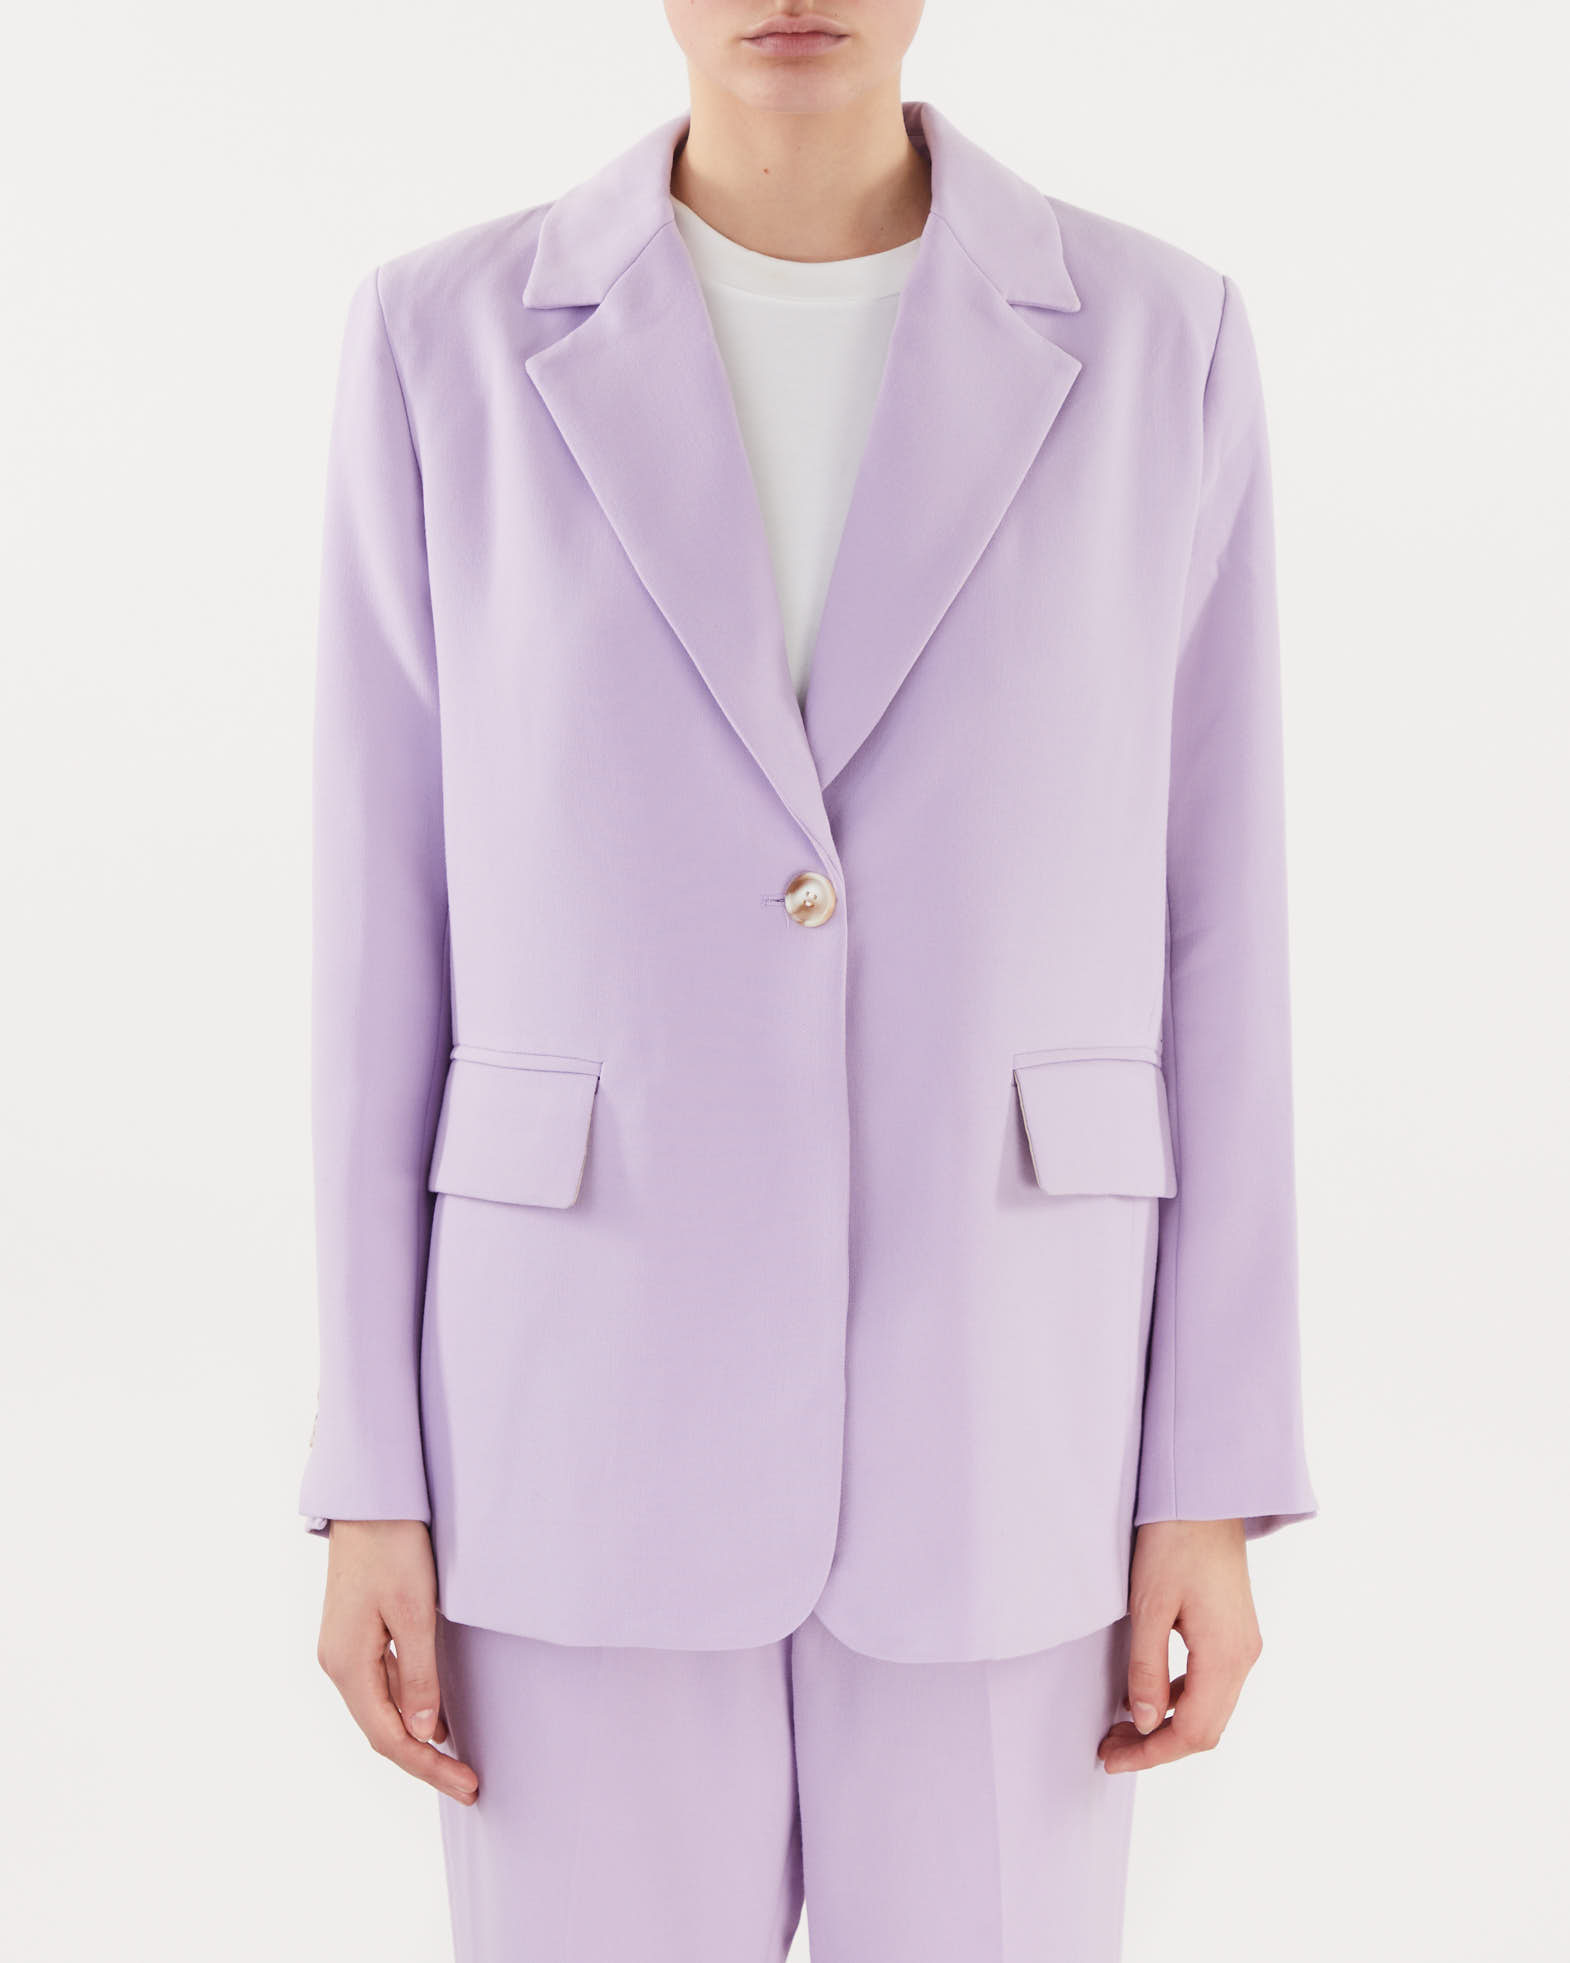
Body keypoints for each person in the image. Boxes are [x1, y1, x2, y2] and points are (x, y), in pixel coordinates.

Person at [302, 4, 1316, 1957]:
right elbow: (381, 940)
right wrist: (371, 1474)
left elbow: (1218, 924)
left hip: (1008, 1421)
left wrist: (1210, 1466)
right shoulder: (440, 345)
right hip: (568, 1422)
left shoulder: (1157, 344)